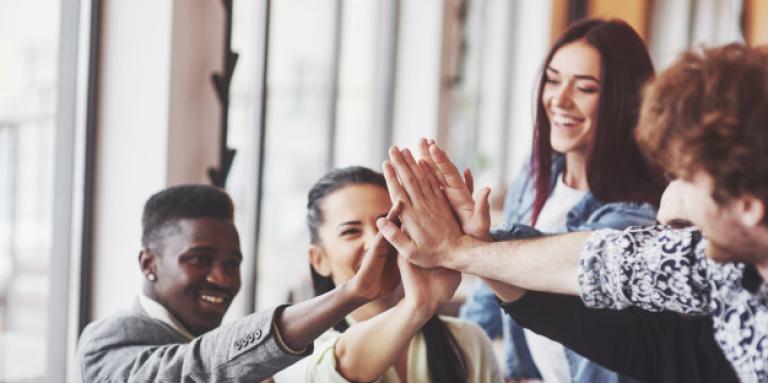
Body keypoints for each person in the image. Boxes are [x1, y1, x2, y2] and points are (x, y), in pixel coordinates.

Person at [376, 44, 768, 382]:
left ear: (748, 208)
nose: (667, 212)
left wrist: (459, 251)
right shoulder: (719, 263)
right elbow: (602, 268)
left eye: (685, 178)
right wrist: (465, 251)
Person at [459, 18, 664, 383]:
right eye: (553, 80)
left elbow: (546, 268)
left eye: (585, 87)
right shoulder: (537, 173)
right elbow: (490, 285)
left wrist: (473, 249)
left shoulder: (638, 215)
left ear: (625, 101)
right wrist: (454, 353)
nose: (559, 99)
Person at [76, 184, 403, 382]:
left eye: (232, 264)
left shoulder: (213, 338)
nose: (220, 278)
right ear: (149, 264)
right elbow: (194, 370)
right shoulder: (109, 340)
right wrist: (353, 292)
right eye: (199, 259)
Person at [290, 166, 501, 382]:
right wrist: (419, 304)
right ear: (318, 259)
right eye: (351, 231)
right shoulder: (296, 349)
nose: (375, 242)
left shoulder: (467, 341)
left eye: (391, 224)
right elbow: (344, 365)